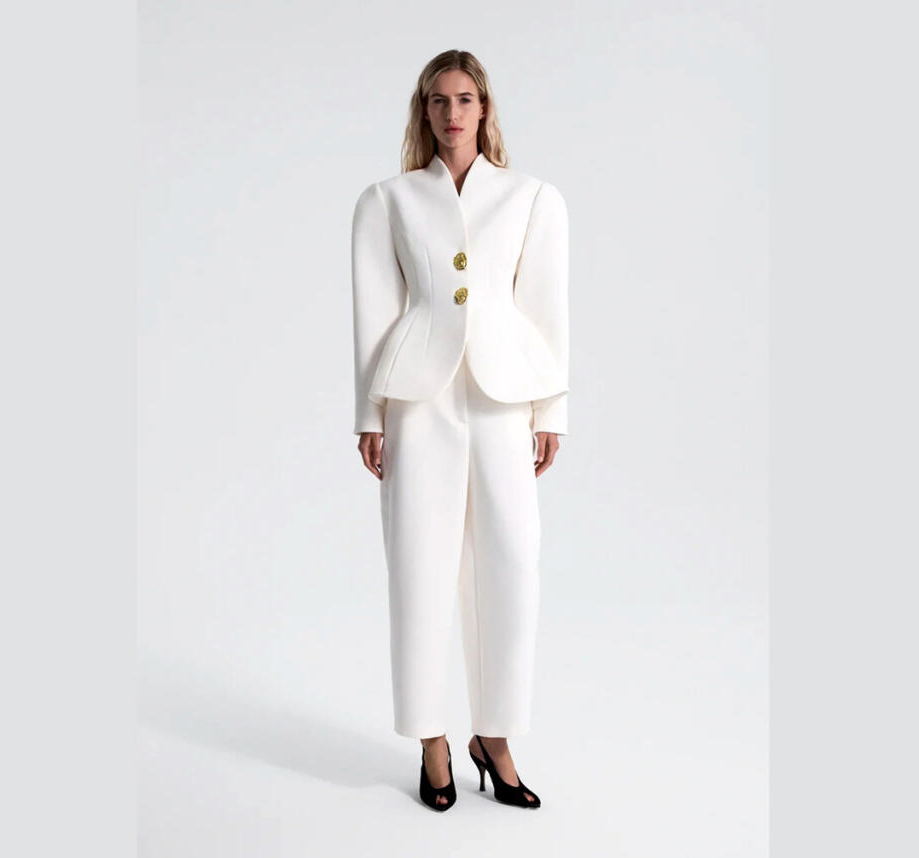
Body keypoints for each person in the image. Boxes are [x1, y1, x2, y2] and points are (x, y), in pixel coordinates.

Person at [351, 49, 569, 812]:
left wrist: (551, 410)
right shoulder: (387, 201)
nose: (452, 112)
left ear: (485, 108)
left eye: (466, 98)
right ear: (425, 109)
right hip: (417, 400)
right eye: (439, 99)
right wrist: (369, 414)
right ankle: (432, 741)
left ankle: (495, 738)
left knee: (512, 563)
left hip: (504, 398)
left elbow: (546, 310)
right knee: (419, 565)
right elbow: (373, 316)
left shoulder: (533, 198)